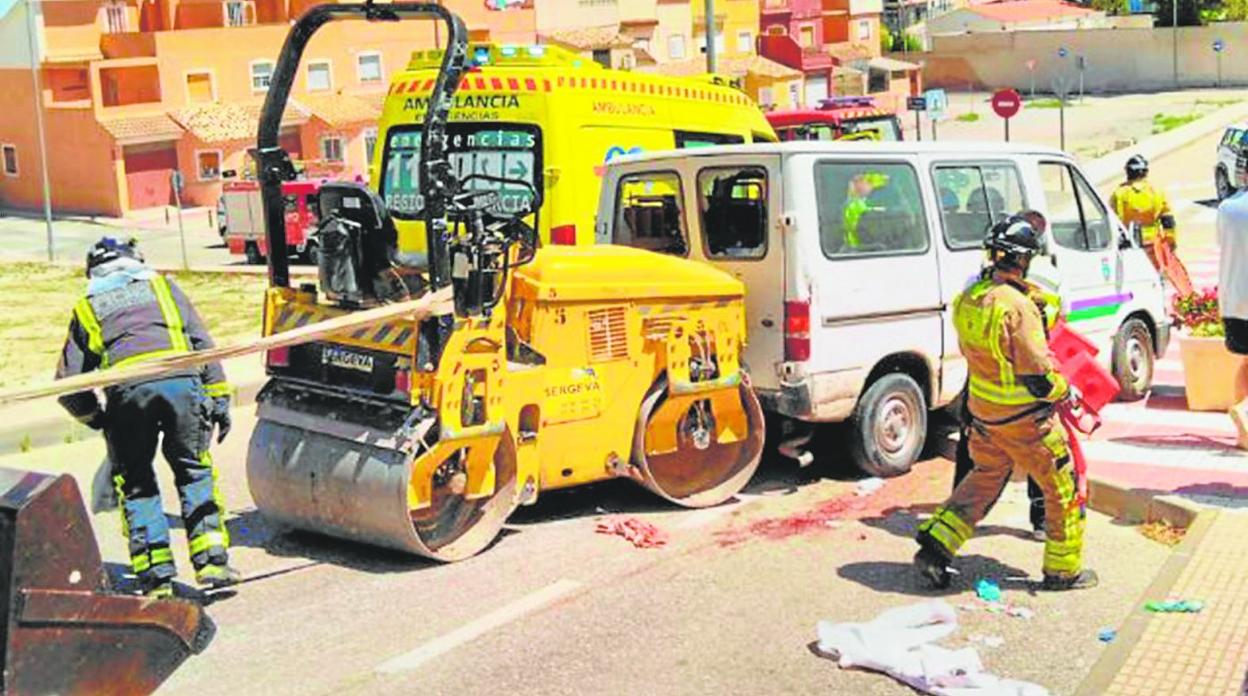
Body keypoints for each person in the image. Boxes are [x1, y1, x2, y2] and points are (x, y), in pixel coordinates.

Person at [915, 216, 1097, 591]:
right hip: (1026, 421)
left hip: (984, 415)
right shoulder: (1017, 307)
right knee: (1060, 488)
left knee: (983, 479)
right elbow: (1036, 374)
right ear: (1025, 259)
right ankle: (1063, 572)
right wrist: (1065, 390)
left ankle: (936, 547)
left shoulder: (971, 299)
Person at [56, 237, 240, 598]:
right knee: (194, 469)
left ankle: (157, 578)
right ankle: (212, 560)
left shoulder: (87, 306)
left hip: (128, 397)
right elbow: (203, 344)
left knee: (137, 483)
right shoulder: (165, 287)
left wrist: (96, 417)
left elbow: (69, 384)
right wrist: (219, 399)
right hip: (183, 388)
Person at [951, 210, 1059, 541]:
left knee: (982, 462)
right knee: (1053, 469)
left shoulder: (975, 289)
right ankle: (1052, 541)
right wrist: (1062, 390)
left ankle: (949, 526)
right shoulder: (1012, 295)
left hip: (983, 388)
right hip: (1019, 391)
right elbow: (1036, 364)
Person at [1218, 189, 1248, 449]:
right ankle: (1246, 409)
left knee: (1246, 360)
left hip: (1235, 300)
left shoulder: (1227, 208)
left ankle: (1244, 435)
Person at [1109, 154, 1176, 272]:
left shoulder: (1119, 194)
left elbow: (1111, 220)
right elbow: (1168, 220)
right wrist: (1171, 242)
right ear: (1145, 172)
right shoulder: (1156, 192)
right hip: (1154, 245)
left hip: (1129, 244)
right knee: (1155, 275)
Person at [842, 171, 889, 250]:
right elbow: (868, 223)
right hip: (860, 249)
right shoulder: (854, 205)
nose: (870, 185)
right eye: (867, 181)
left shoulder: (857, 202)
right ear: (855, 183)